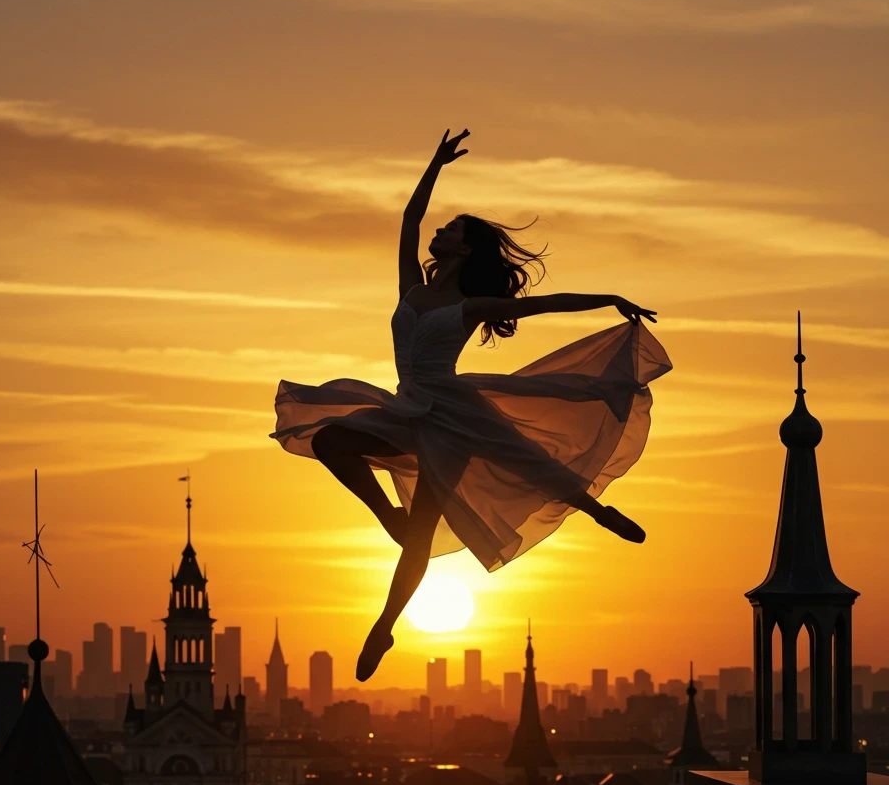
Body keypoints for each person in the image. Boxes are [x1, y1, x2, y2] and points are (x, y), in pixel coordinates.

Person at [272, 129, 671, 680]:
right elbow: (409, 221)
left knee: (516, 461)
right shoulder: (411, 289)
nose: (437, 231)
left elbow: (547, 306)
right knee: (328, 438)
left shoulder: (470, 304)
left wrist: (609, 299)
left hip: (450, 417)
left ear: (462, 249)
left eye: (449, 229)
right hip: (404, 407)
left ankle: (386, 625)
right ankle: (387, 515)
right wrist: (435, 164)